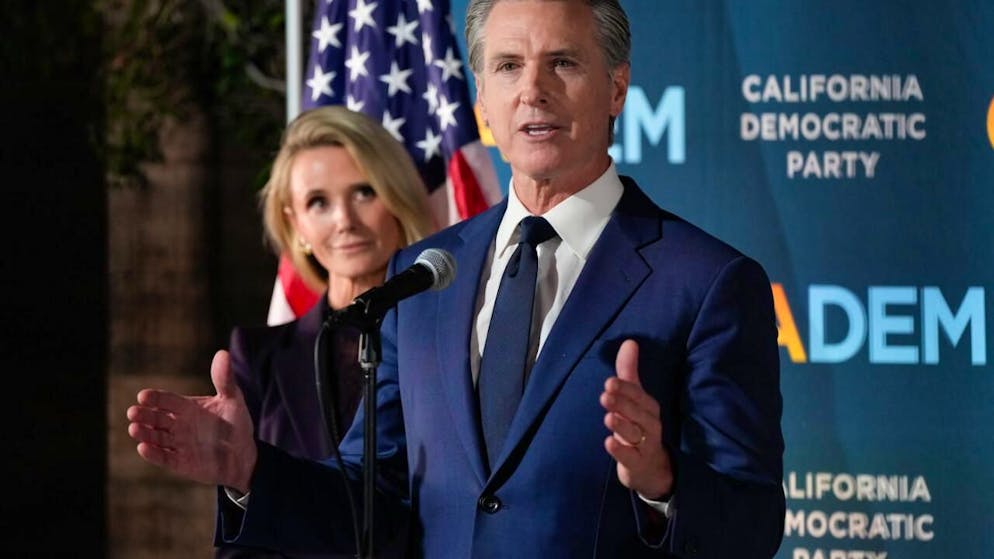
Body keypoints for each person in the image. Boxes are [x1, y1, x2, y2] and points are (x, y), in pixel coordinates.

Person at [128, 1, 785, 557]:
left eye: (563, 62)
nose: (533, 90)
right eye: (508, 66)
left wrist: (663, 483)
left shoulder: (707, 282)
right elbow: (370, 500)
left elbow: (753, 523)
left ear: (616, 88)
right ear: (482, 100)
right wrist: (252, 471)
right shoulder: (423, 278)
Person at [217, 106, 434, 558]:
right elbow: (242, 542)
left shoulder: (452, 341)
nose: (344, 220)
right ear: (295, 225)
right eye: (319, 202)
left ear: (398, 197)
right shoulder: (258, 356)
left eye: (364, 192)